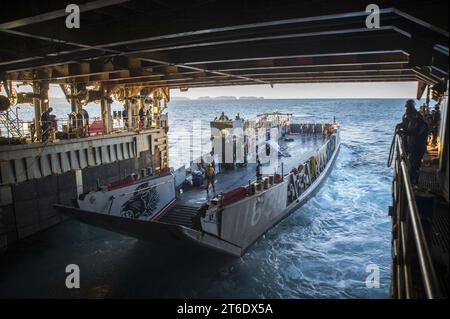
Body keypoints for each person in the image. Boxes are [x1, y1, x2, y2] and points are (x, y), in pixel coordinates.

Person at [396, 99, 429, 185]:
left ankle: (413, 184)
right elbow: (406, 125)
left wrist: (403, 132)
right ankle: (410, 181)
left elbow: (415, 133)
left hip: (418, 147)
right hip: (411, 145)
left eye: (408, 107)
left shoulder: (420, 122)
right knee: (411, 164)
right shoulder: (410, 118)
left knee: (415, 166)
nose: (407, 110)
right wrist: (400, 125)